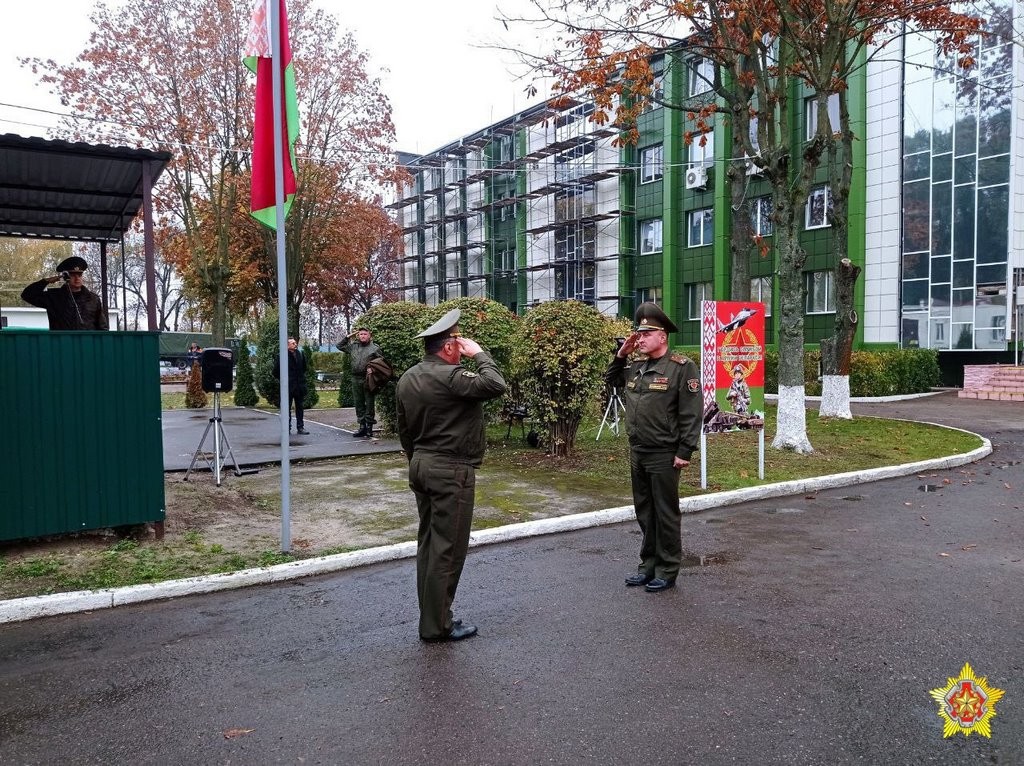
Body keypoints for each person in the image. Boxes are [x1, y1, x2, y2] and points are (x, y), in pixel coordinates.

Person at [396, 308, 507, 641]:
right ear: (447, 348)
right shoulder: (452, 376)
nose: (463, 349)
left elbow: (404, 430)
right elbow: (496, 384)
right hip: (450, 470)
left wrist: (417, 459)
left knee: (429, 545)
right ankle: (438, 625)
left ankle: (432, 617)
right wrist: (480, 354)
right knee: (448, 549)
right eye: (459, 343)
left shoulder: (408, 377)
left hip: (421, 465)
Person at [605, 302, 702, 593]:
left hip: (664, 453)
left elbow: (691, 413)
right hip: (639, 451)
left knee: (665, 513)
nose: (640, 339)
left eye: (646, 334)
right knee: (644, 511)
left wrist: (685, 451)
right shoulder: (635, 367)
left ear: (662, 337)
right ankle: (648, 564)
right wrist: (621, 355)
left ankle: (668, 568)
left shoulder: (681, 368)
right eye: (638, 334)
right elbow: (611, 380)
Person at [20, 255, 108, 331]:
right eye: (73, 275)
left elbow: (102, 327)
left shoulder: (93, 299)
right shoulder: (54, 297)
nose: (77, 279)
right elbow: (27, 295)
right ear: (65, 276)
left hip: (87, 345)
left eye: (79, 275)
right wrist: (45, 281)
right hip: (61, 345)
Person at [338, 325, 383, 438]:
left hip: (368, 379)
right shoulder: (353, 346)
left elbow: (381, 363)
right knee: (358, 403)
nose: (362, 336)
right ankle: (362, 427)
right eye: (361, 334)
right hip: (355, 378)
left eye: (365, 334)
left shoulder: (375, 348)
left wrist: (373, 369)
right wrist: (349, 336)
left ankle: (369, 428)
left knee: (369, 403)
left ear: (369, 335)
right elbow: (339, 346)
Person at [273, 337, 308, 435]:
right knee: (286, 408)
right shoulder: (282, 356)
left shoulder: (300, 354)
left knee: (300, 407)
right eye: (292, 343)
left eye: (295, 343)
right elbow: (275, 371)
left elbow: (304, 368)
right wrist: (284, 380)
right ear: (287, 345)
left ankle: (300, 427)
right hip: (287, 387)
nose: (295, 344)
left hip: (299, 386)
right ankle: (286, 428)